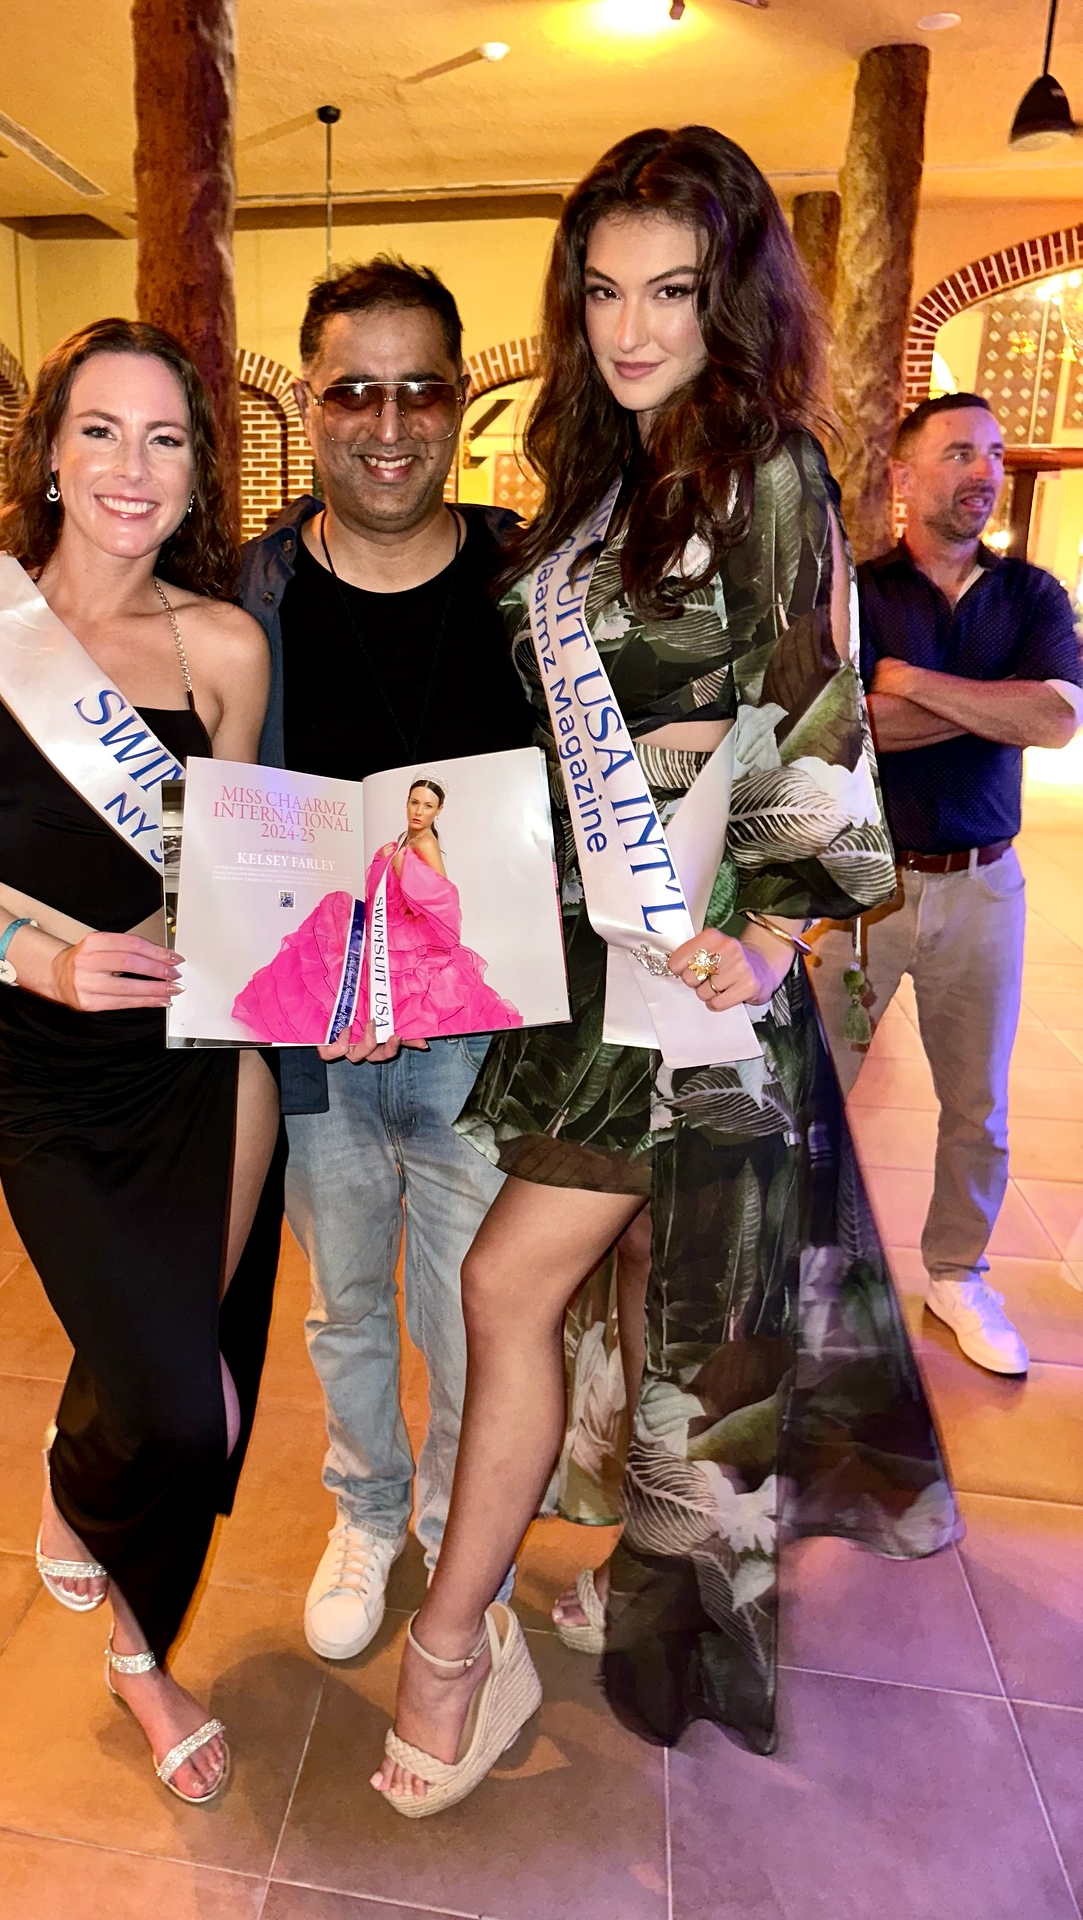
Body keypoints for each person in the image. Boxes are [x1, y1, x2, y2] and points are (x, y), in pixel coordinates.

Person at [373, 126, 959, 1817]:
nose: (632, 328)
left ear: (731, 299)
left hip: (688, 980)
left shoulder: (767, 469)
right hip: (592, 956)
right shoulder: (603, 478)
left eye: (673, 292)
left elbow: (811, 692)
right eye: (605, 291)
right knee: (649, 1284)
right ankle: (654, 1561)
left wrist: (771, 930)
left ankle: (451, 1649)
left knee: (508, 1286)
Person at [0, 319, 283, 1806]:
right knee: (167, 1402)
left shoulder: (225, 648)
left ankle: (136, 1649)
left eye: (165, 439)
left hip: (204, 1059)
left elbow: (243, 873)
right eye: (100, 429)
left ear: (198, 473)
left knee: (190, 1392)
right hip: (46, 1064)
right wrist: (37, 959)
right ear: (48, 449)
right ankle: (91, 1508)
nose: (131, 467)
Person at [237, 258, 536, 1661]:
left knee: (478, 1313)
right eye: (355, 389)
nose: (390, 422)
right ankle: (365, 1508)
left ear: (460, 401)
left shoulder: (529, 578)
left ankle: (457, 1525)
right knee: (346, 1299)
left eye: (422, 388)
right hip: (311, 1033)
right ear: (311, 403)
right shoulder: (248, 591)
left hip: (485, 1028)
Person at [814, 394, 1082, 1377]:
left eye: (996, 454)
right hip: (863, 889)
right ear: (905, 475)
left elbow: (1056, 721)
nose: (984, 472)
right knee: (816, 1093)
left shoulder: (1033, 596)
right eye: (960, 452)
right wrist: (993, 706)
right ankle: (811, 1272)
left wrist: (913, 685)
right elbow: (841, 731)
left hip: (983, 888)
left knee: (979, 1107)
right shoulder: (857, 591)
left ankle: (958, 1274)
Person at [231, 777, 522, 1042]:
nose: (419, 811)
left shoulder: (427, 843)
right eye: (414, 802)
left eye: (428, 806)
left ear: (439, 810)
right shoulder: (407, 837)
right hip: (387, 917)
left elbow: (443, 895)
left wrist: (405, 868)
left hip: (407, 929)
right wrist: (387, 857)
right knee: (334, 915)